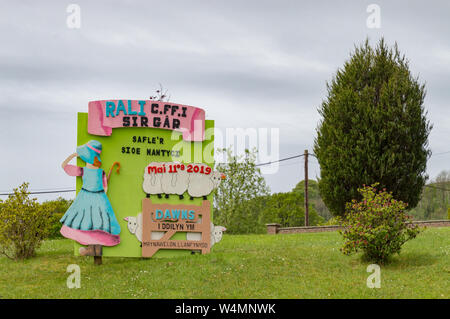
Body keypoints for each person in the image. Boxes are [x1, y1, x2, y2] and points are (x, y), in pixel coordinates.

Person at [60, 140, 121, 256]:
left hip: (87, 198)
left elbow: (64, 166)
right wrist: (103, 198)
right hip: (98, 197)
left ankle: (93, 250)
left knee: (91, 224)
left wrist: (73, 155)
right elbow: (105, 188)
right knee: (95, 224)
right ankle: (93, 251)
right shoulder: (98, 171)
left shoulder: (85, 170)